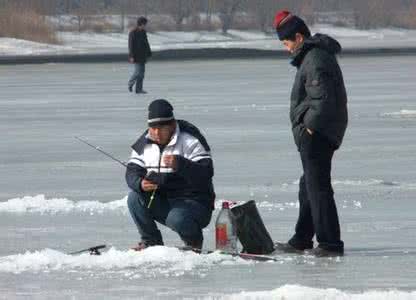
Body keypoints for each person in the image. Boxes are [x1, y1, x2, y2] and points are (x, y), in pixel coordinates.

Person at [273, 10, 348, 257]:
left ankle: (330, 243)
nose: (287, 49)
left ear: (298, 37)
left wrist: (309, 127)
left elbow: (322, 100)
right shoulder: (313, 56)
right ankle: (302, 238)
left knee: (317, 187)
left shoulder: (314, 58)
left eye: (286, 43)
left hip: (318, 133)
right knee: (308, 186)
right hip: (320, 131)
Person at [126, 99, 215, 250]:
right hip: (163, 199)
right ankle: (151, 242)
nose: (156, 132)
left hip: (195, 203)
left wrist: (180, 164)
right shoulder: (144, 142)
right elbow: (132, 171)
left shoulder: (190, 140)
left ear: (172, 125)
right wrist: (139, 183)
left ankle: (194, 243)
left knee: (177, 218)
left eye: (162, 127)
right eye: (153, 127)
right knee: (134, 198)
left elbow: (206, 172)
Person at [128, 16, 152, 94]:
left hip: (143, 55)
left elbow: (146, 43)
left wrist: (149, 52)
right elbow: (131, 45)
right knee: (138, 72)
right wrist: (131, 56)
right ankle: (130, 83)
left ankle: (139, 89)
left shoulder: (143, 32)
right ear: (141, 24)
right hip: (136, 55)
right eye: (145, 24)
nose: (145, 26)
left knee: (142, 74)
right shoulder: (133, 32)